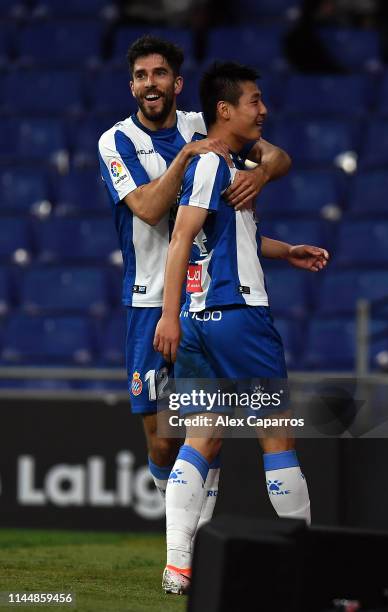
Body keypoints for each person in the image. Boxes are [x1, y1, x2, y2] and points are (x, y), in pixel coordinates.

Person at [97, 37, 292, 528]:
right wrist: (187, 157)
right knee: (161, 437)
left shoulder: (202, 124)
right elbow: (147, 207)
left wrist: (260, 176)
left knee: (206, 426)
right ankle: (178, 519)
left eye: (159, 74)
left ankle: (191, 544)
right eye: (141, 76)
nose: (150, 84)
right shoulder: (116, 141)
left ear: (177, 83)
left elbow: (279, 157)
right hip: (150, 301)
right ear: (132, 86)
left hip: (202, 299)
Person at [154, 61, 329, 594]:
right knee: (276, 436)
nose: (264, 110)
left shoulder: (222, 165)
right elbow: (180, 239)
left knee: (202, 436)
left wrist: (286, 249)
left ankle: (178, 564)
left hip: (202, 318)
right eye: (255, 101)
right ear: (224, 109)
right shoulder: (213, 164)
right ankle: (305, 566)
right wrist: (164, 312)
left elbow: (223, 237)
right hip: (238, 316)